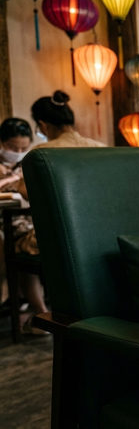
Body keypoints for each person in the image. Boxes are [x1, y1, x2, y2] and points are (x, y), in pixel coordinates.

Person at [0, 117, 44, 334]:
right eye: (12, 148)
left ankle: (40, 313)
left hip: (28, 219)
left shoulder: (29, 163)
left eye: (22, 148)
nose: (17, 152)